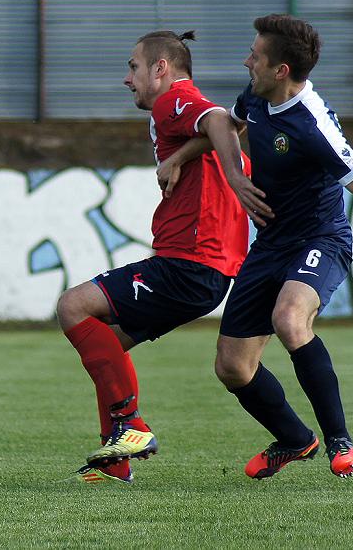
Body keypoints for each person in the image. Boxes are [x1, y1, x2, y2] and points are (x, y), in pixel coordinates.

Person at [161, 14, 353, 479]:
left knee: (288, 317)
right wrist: (189, 160)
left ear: (281, 70)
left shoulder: (312, 124)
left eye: (255, 57)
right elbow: (227, 126)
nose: (247, 61)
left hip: (320, 238)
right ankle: (295, 440)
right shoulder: (257, 96)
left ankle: (341, 442)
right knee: (233, 368)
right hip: (271, 244)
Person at [57, 30, 268, 485]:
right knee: (107, 346)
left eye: (133, 67)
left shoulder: (173, 100)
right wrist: (183, 160)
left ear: (161, 68)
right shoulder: (179, 110)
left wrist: (233, 175)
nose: (126, 79)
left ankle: (130, 428)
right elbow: (228, 126)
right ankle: (115, 462)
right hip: (208, 271)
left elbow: (218, 120)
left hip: (188, 263)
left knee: (73, 306)